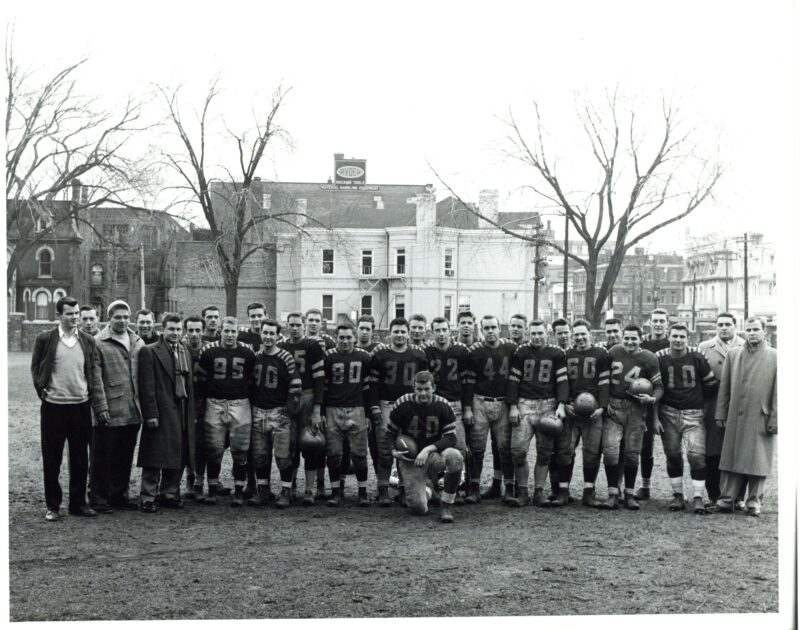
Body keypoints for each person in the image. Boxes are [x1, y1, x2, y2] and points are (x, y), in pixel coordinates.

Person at [31, 296, 100, 520]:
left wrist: (89, 396)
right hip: (54, 408)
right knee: (52, 458)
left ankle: (78, 504)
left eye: (77, 313)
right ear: (59, 314)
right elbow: (36, 369)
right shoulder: (45, 339)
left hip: (80, 407)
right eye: (69, 313)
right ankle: (53, 506)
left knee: (80, 458)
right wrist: (43, 393)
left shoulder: (88, 340)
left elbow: (91, 371)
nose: (74, 317)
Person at [714, 317, 777, 517]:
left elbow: (779, 392)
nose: (751, 333)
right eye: (748, 329)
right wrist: (721, 413)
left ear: (764, 331)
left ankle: (754, 502)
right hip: (736, 416)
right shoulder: (733, 355)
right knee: (731, 458)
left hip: (760, 416)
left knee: (758, 461)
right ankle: (726, 499)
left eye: (756, 329)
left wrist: (775, 419)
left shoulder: (776, 356)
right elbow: (724, 388)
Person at [89, 300, 145, 513]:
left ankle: (119, 495)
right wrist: (101, 408)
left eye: (125, 317)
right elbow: (95, 379)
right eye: (117, 317)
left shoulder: (137, 341)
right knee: (102, 457)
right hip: (109, 411)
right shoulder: (98, 342)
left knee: (124, 456)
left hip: (132, 409)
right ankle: (98, 498)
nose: (122, 321)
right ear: (109, 319)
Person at [136, 314, 196, 512]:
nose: (175, 333)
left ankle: (169, 493)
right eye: (171, 329)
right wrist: (150, 413)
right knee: (155, 454)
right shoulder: (149, 351)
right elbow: (146, 387)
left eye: (179, 330)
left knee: (178, 452)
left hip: (182, 408)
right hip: (161, 410)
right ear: (163, 329)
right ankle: (148, 496)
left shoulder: (184, 350)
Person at [655, 323, 717, 514]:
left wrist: (701, 406)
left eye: (682, 336)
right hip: (668, 412)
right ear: (668, 336)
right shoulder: (660, 357)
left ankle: (698, 496)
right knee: (673, 455)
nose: (678, 340)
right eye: (675, 336)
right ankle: (678, 495)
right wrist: (655, 417)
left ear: (687, 338)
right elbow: (655, 387)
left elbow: (711, 385)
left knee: (696, 456)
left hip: (693, 413)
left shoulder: (697, 355)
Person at [599, 324, 663, 510]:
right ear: (622, 337)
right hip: (614, 405)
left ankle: (629, 494)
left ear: (640, 339)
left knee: (632, 454)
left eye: (634, 338)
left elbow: (659, 386)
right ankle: (612, 493)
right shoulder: (614, 351)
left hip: (636, 409)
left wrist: (652, 399)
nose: (629, 342)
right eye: (626, 338)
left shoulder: (649, 358)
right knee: (611, 451)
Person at [506, 319, 568, 507]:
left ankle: (539, 492)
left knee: (544, 453)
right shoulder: (521, 352)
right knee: (518, 451)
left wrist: (561, 404)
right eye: (533, 333)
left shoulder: (557, 353)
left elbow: (562, 381)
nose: (537, 337)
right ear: (528, 333)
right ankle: (523, 491)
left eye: (540, 333)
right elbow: (514, 380)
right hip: (524, 404)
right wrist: (513, 406)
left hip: (547, 405)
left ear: (547, 333)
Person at [387, 371, 464, 523]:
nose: (423, 393)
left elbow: (450, 437)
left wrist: (427, 449)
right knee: (418, 509)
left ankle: (446, 506)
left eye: (427, 389)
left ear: (434, 388)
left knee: (455, 458)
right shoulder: (402, 403)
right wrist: (393, 451)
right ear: (413, 388)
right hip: (412, 459)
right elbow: (390, 433)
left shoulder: (443, 404)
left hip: (435, 454)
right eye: (419, 389)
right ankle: (430, 490)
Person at [196, 316, 256, 506]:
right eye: (227, 330)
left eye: (233, 331)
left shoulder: (247, 352)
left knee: (240, 449)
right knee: (214, 448)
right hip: (215, 403)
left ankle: (239, 490)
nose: (230, 335)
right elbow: (200, 378)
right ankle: (212, 488)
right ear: (220, 330)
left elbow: (253, 378)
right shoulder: (208, 351)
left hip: (240, 403)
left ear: (238, 332)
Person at [369, 317, 428, 506]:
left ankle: (404, 489)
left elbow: (425, 383)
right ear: (389, 333)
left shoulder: (418, 354)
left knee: (407, 448)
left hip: (410, 406)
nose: (400, 335)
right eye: (396, 331)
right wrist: (375, 406)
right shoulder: (381, 354)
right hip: (387, 404)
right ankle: (383, 489)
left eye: (403, 332)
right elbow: (373, 384)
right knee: (385, 449)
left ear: (408, 333)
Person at [462, 315, 517, 503]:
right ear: (481, 330)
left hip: (503, 403)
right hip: (480, 402)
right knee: (477, 448)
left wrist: (513, 404)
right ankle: (474, 487)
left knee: (504, 447)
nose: (490, 331)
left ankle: (507, 486)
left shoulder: (510, 348)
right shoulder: (474, 351)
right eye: (487, 328)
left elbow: (515, 379)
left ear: (500, 328)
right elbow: (469, 382)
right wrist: (467, 408)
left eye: (494, 327)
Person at [250, 319, 302, 509]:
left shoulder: (285, 357)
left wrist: (288, 412)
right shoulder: (255, 356)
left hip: (278, 412)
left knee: (283, 456)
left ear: (277, 335)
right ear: (260, 334)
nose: (268, 337)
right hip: (258, 412)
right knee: (260, 455)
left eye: (272, 333)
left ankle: (286, 491)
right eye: (265, 333)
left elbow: (296, 387)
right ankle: (263, 491)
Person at [321, 323, 373, 507]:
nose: (345, 341)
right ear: (336, 338)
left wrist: (367, 413)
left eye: (348, 337)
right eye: (341, 337)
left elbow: (368, 388)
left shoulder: (364, 357)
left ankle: (363, 491)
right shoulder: (328, 357)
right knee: (334, 454)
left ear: (355, 338)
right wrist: (321, 412)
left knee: (359, 454)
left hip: (357, 408)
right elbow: (323, 387)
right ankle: (336, 492)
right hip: (333, 408)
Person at [698, 312, 745, 509]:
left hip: (739, 404)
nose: (723, 328)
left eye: (727, 324)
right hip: (713, 403)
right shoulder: (704, 347)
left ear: (735, 326)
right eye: (720, 324)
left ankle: (739, 497)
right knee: (712, 449)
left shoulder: (744, 346)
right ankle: (714, 494)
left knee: (740, 450)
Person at [279, 311, 325, 504]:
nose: (295, 328)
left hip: (307, 395)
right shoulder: (281, 346)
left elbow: (319, 379)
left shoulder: (313, 345)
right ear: (287, 325)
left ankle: (309, 490)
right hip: (288, 399)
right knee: (290, 445)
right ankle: (289, 488)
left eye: (299, 325)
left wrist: (317, 409)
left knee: (310, 444)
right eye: (292, 324)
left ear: (304, 325)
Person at [424, 317, 471, 502]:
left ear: (450, 331)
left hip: (455, 404)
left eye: (444, 330)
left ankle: (455, 488)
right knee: (433, 446)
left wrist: (467, 408)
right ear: (432, 331)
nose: (441, 334)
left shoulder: (460, 351)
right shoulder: (426, 352)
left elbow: (467, 382)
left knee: (458, 448)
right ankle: (434, 488)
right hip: (434, 404)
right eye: (437, 330)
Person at [564, 319, 610, 507]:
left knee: (592, 452)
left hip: (593, 411)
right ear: (572, 336)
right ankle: (563, 491)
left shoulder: (601, 354)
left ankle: (588, 491)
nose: (580, 338)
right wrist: (564, 403)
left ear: (590, 333)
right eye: (576, 335)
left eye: (583, 334)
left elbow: (604, 383)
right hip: (572, 410)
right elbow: (562, 382)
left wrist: (602, 407)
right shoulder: (566, 354)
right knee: (565, 450)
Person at [635, 308, 671, 500]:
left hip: (669, 398)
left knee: (671, 445)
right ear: (650, 322)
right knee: (645, 444)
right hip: (648, 398)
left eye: (661, 321)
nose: (658, 324)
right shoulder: (643, 343)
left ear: (668, 323)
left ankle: (678, 489)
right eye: (655, 320)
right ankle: (645, 485)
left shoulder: (673, 341)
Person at [181, 316, 208, 501]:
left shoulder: (208, 349)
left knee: (202, 442)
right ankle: (188, 478)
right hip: (183, 401)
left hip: (204, 400)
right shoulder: (180, 348)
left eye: (198, 330)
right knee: (184, 442)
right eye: (190, 330)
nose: (194, 334)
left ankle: (200, 481)